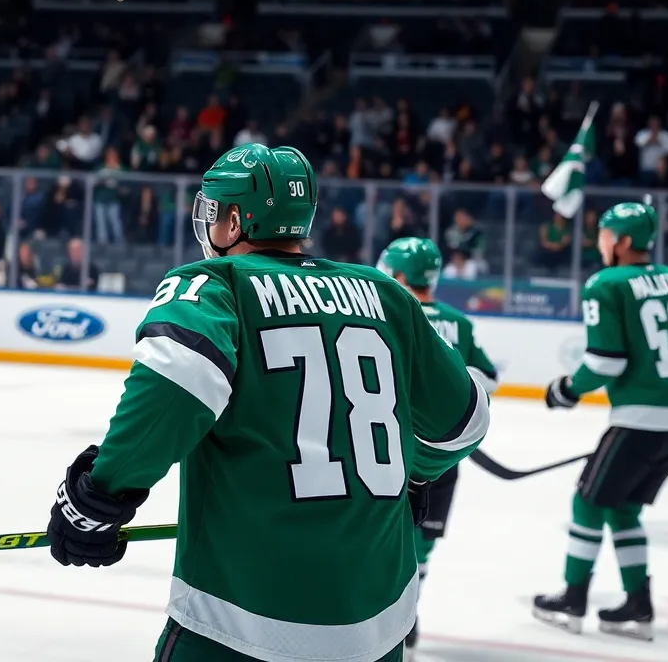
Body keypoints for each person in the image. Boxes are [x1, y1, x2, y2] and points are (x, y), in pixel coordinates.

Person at [45, 143, 491, 662]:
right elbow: (466, 422)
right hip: (380, 626)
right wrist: (411, 476)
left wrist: (98, 495)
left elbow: (177, 383)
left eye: (214, 211)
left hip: (241, 619)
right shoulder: (384, 294)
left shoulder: (215, 286)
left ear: (234, 221)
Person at [532, 203, 668, 641]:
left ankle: (573, 599)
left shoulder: (605, 284)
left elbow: (606, 362)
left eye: (606, 235)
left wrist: (566, 389)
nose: (600, 242)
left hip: (640, 420)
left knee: (588, 503)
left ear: (623, 242)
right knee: (622, 507)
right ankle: (638, 605)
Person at [376, 237, 498, 658]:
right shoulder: (457, 323)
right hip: (443, 455)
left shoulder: (381, 312)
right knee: (422, 542)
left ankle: (385, 614)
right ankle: (407, 616)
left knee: (381, 536)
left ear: (399, 276)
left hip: (382, 451)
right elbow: (486, 380)